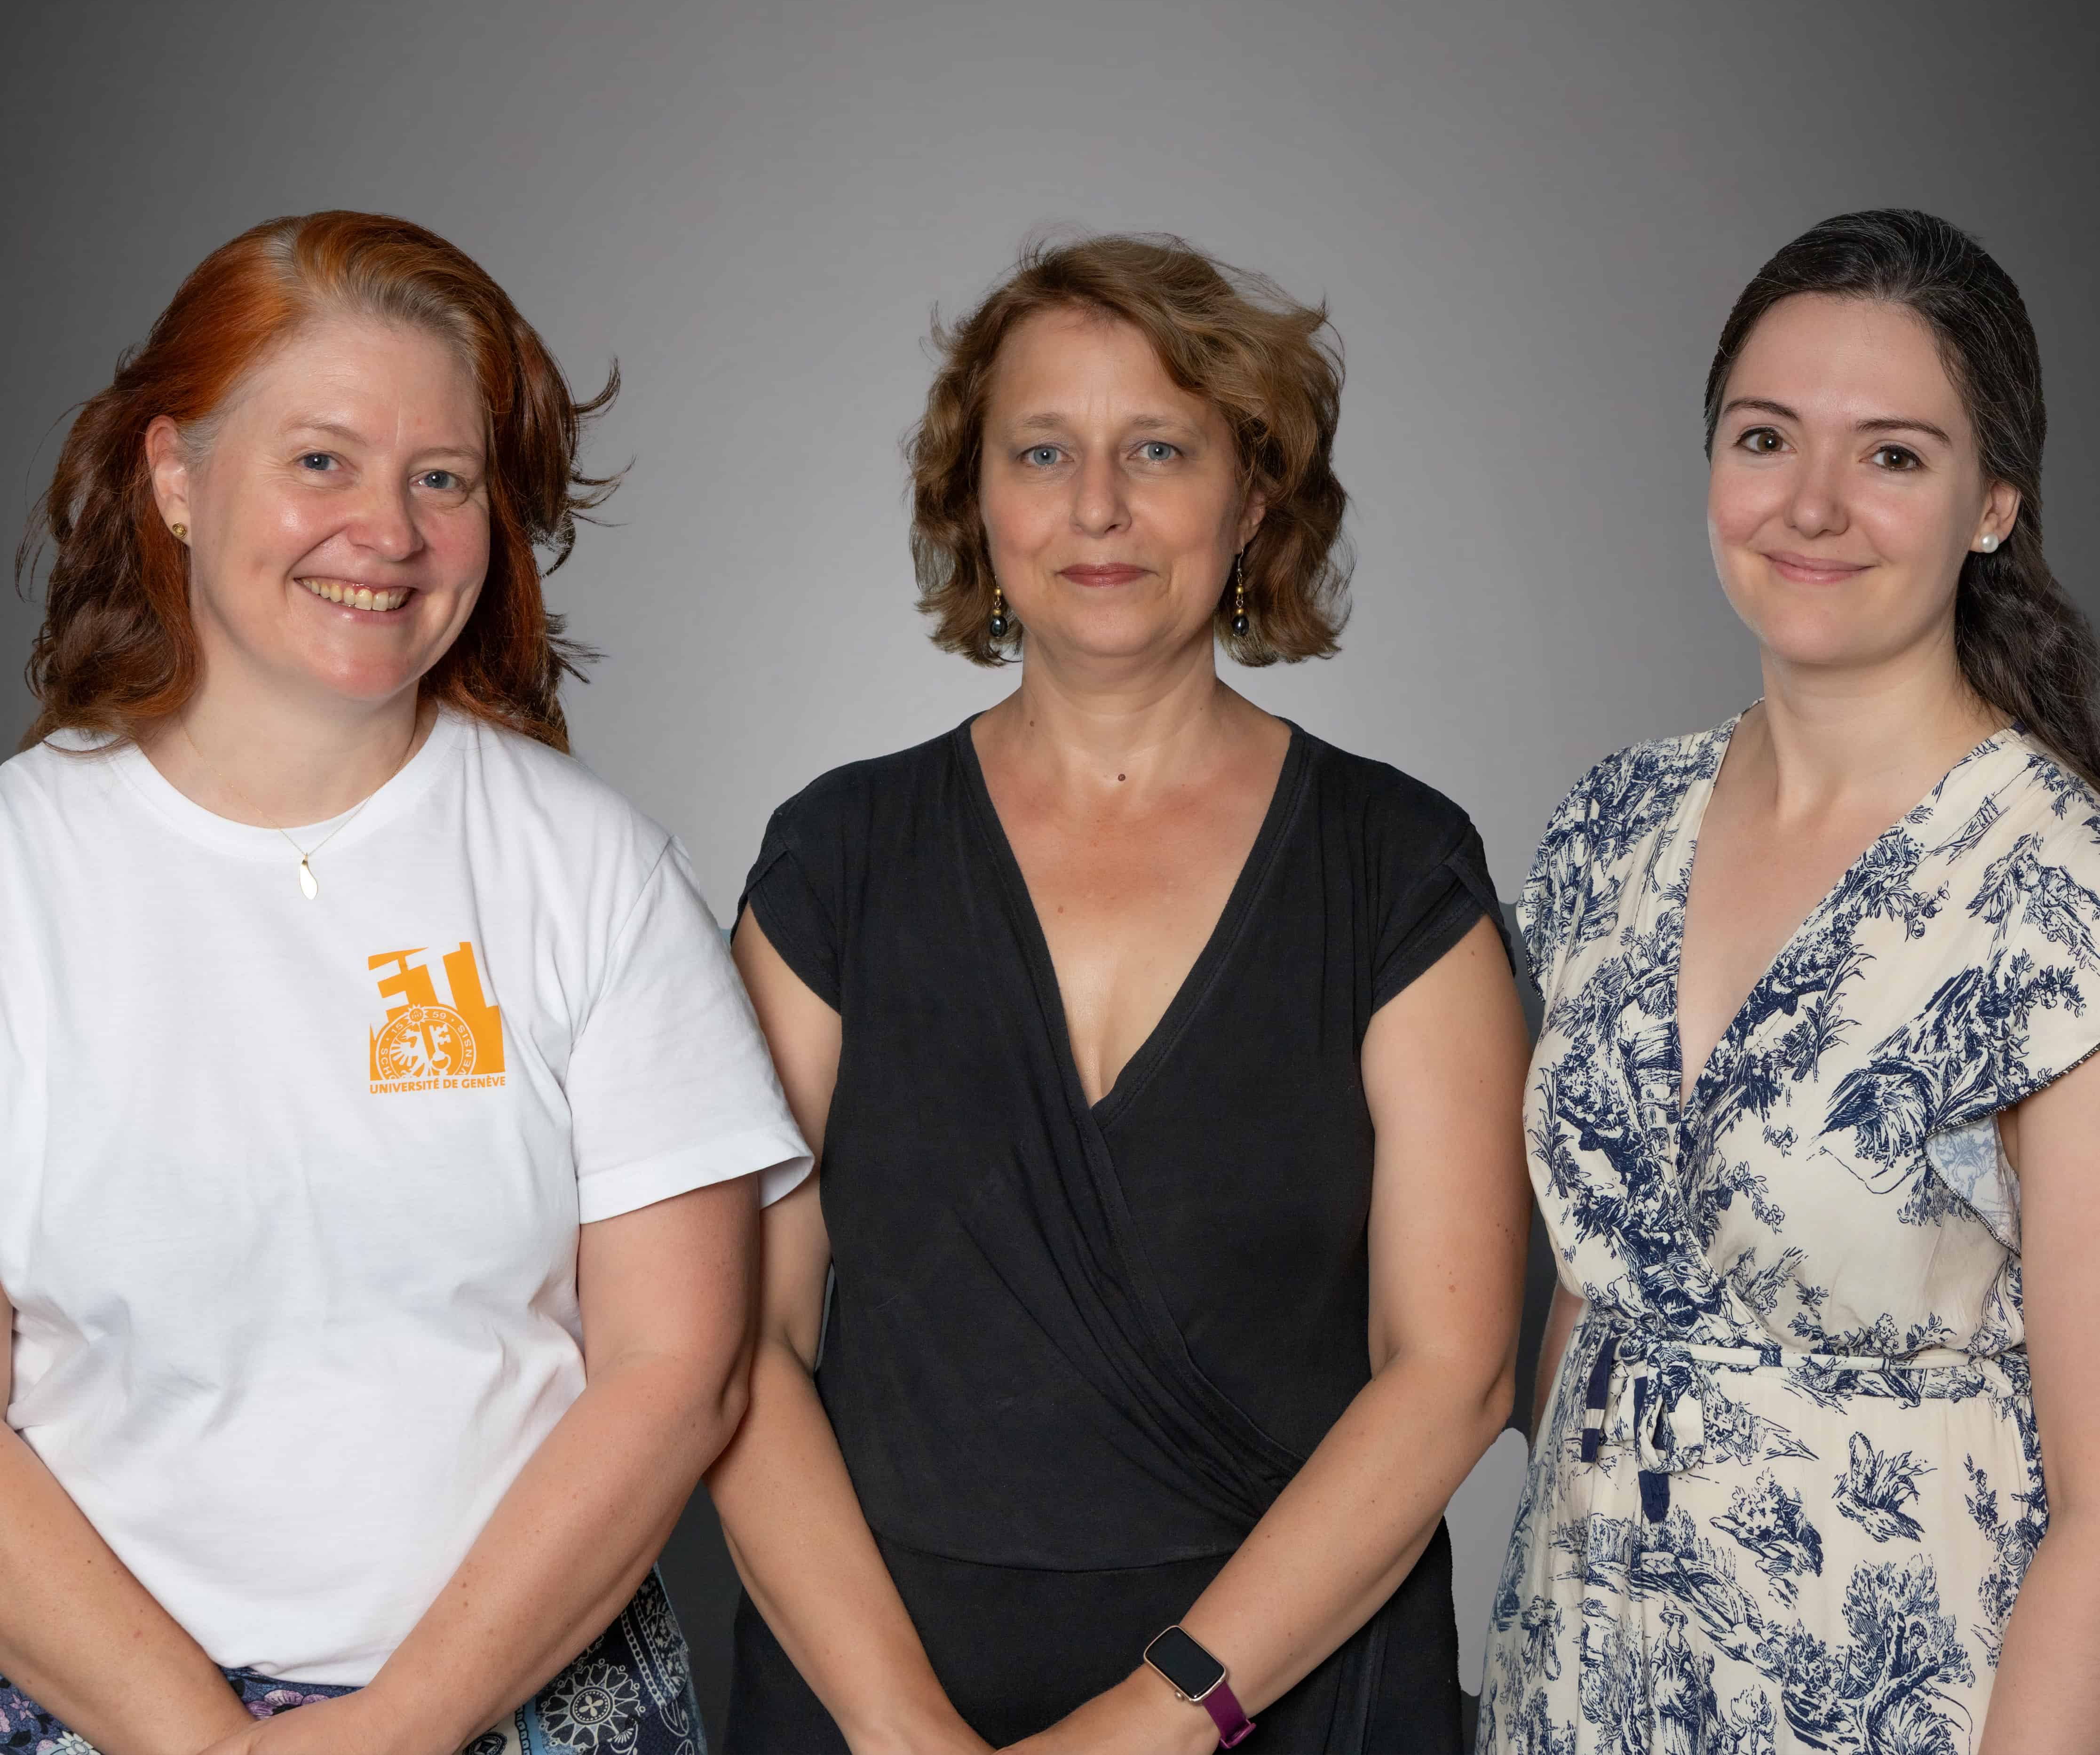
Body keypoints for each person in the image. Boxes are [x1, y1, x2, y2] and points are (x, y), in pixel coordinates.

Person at [706, 234, 1533, 1754]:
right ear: (974, 501)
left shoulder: (1397, 863)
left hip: (1281, 1691)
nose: (1097, 505)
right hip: (865, 1693)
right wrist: (898, 1726)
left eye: (1157, 448)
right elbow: (732, 1344)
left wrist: (1157, 1722)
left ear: (1255, 498)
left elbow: (1454, 1371)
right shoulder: (834, 856)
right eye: (1042, 451)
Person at [0, 212, 810, 1755]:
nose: (386, 531)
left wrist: (403, 1724)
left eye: (442, 478)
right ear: (175, 475)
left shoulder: (593, 869)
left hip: (531, 1707)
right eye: (322, 460)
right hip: (92, 1713)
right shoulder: (17, 876)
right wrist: (207, 1742)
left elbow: (676, 1372)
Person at [1477, 208, 2100, 1754]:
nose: (1811, 503)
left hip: (1890, 1698)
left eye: (1890, 454)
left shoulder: (2052, 884)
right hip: (1575, 1668)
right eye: (1765, 437)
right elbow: (1594, 1281)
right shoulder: (1614, 821)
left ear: (1991, 504)